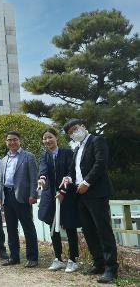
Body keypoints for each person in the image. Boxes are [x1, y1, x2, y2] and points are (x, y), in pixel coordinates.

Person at [63, 119, 118, 284]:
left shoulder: (96, 140)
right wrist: (68, 177)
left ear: (83, 127)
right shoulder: (77, 148)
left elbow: (101, 163)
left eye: (75, 129)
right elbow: (73, 170)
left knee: (103, 230)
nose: (74, 133)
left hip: (96, 193)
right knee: (88, 231)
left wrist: (87, 182)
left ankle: (111, 268)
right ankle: (99, 262)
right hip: (81, 195)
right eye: (70, 133)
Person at [37, 128, 80, 273]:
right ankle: (58, 259)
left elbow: (70, 172)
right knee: (53, 228)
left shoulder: (67, 153)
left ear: (56, 138)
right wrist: (42, 179)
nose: (47, 140)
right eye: (45, 138)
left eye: (50, 137)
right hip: (50, 197)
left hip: (67, 197)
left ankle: (73, 260)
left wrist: (63, 191)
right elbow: (43, 171)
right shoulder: (44, 155)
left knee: (70, 227)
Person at [0, 131, 39, 268]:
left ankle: (32, 258)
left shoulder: (28, 157)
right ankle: (14, 257)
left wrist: (33, 195)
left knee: (28, 228)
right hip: (7, 196)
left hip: (23, 197)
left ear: (19, 141)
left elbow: (34, 178)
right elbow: (1, 181)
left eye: (14, 139)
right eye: (9, 140)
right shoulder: (3, 160)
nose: (12, 142)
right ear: (6, 142)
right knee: (11, 228)